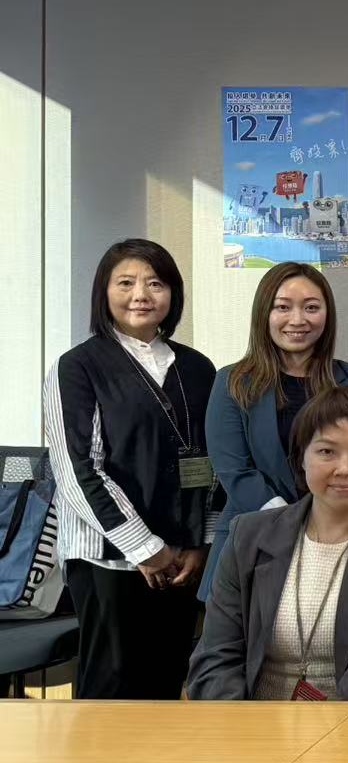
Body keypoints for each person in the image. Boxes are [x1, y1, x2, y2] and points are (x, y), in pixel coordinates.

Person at [42, 238, 219, 699]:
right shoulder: (77, 367)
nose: (141, 294)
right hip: (108, 556)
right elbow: (78, 470)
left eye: (155, 283)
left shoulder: (198, 369)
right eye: (125, 283)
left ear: (173, 294)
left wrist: (199, 543)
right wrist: (145, 548)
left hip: (181, 560)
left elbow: (210, 464)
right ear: (104, 292)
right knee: (112, 685)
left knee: (167, 679)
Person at [188, 386, 348, 701]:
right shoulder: (248, 535)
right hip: (251, 722)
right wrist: (242, 727)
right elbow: (216, 657)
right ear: (301, 457)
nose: (344, 469)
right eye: (326, 451)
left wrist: (331, 731)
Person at [204, 262, 348, 603]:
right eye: (283, 307)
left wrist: (324, 522)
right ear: (264, 314)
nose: (298, 320)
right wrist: (294, 523)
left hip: (340, 538)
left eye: (311, 307)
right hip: (253, 539)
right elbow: (234, 471)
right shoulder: (232, 382)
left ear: (327, 315)